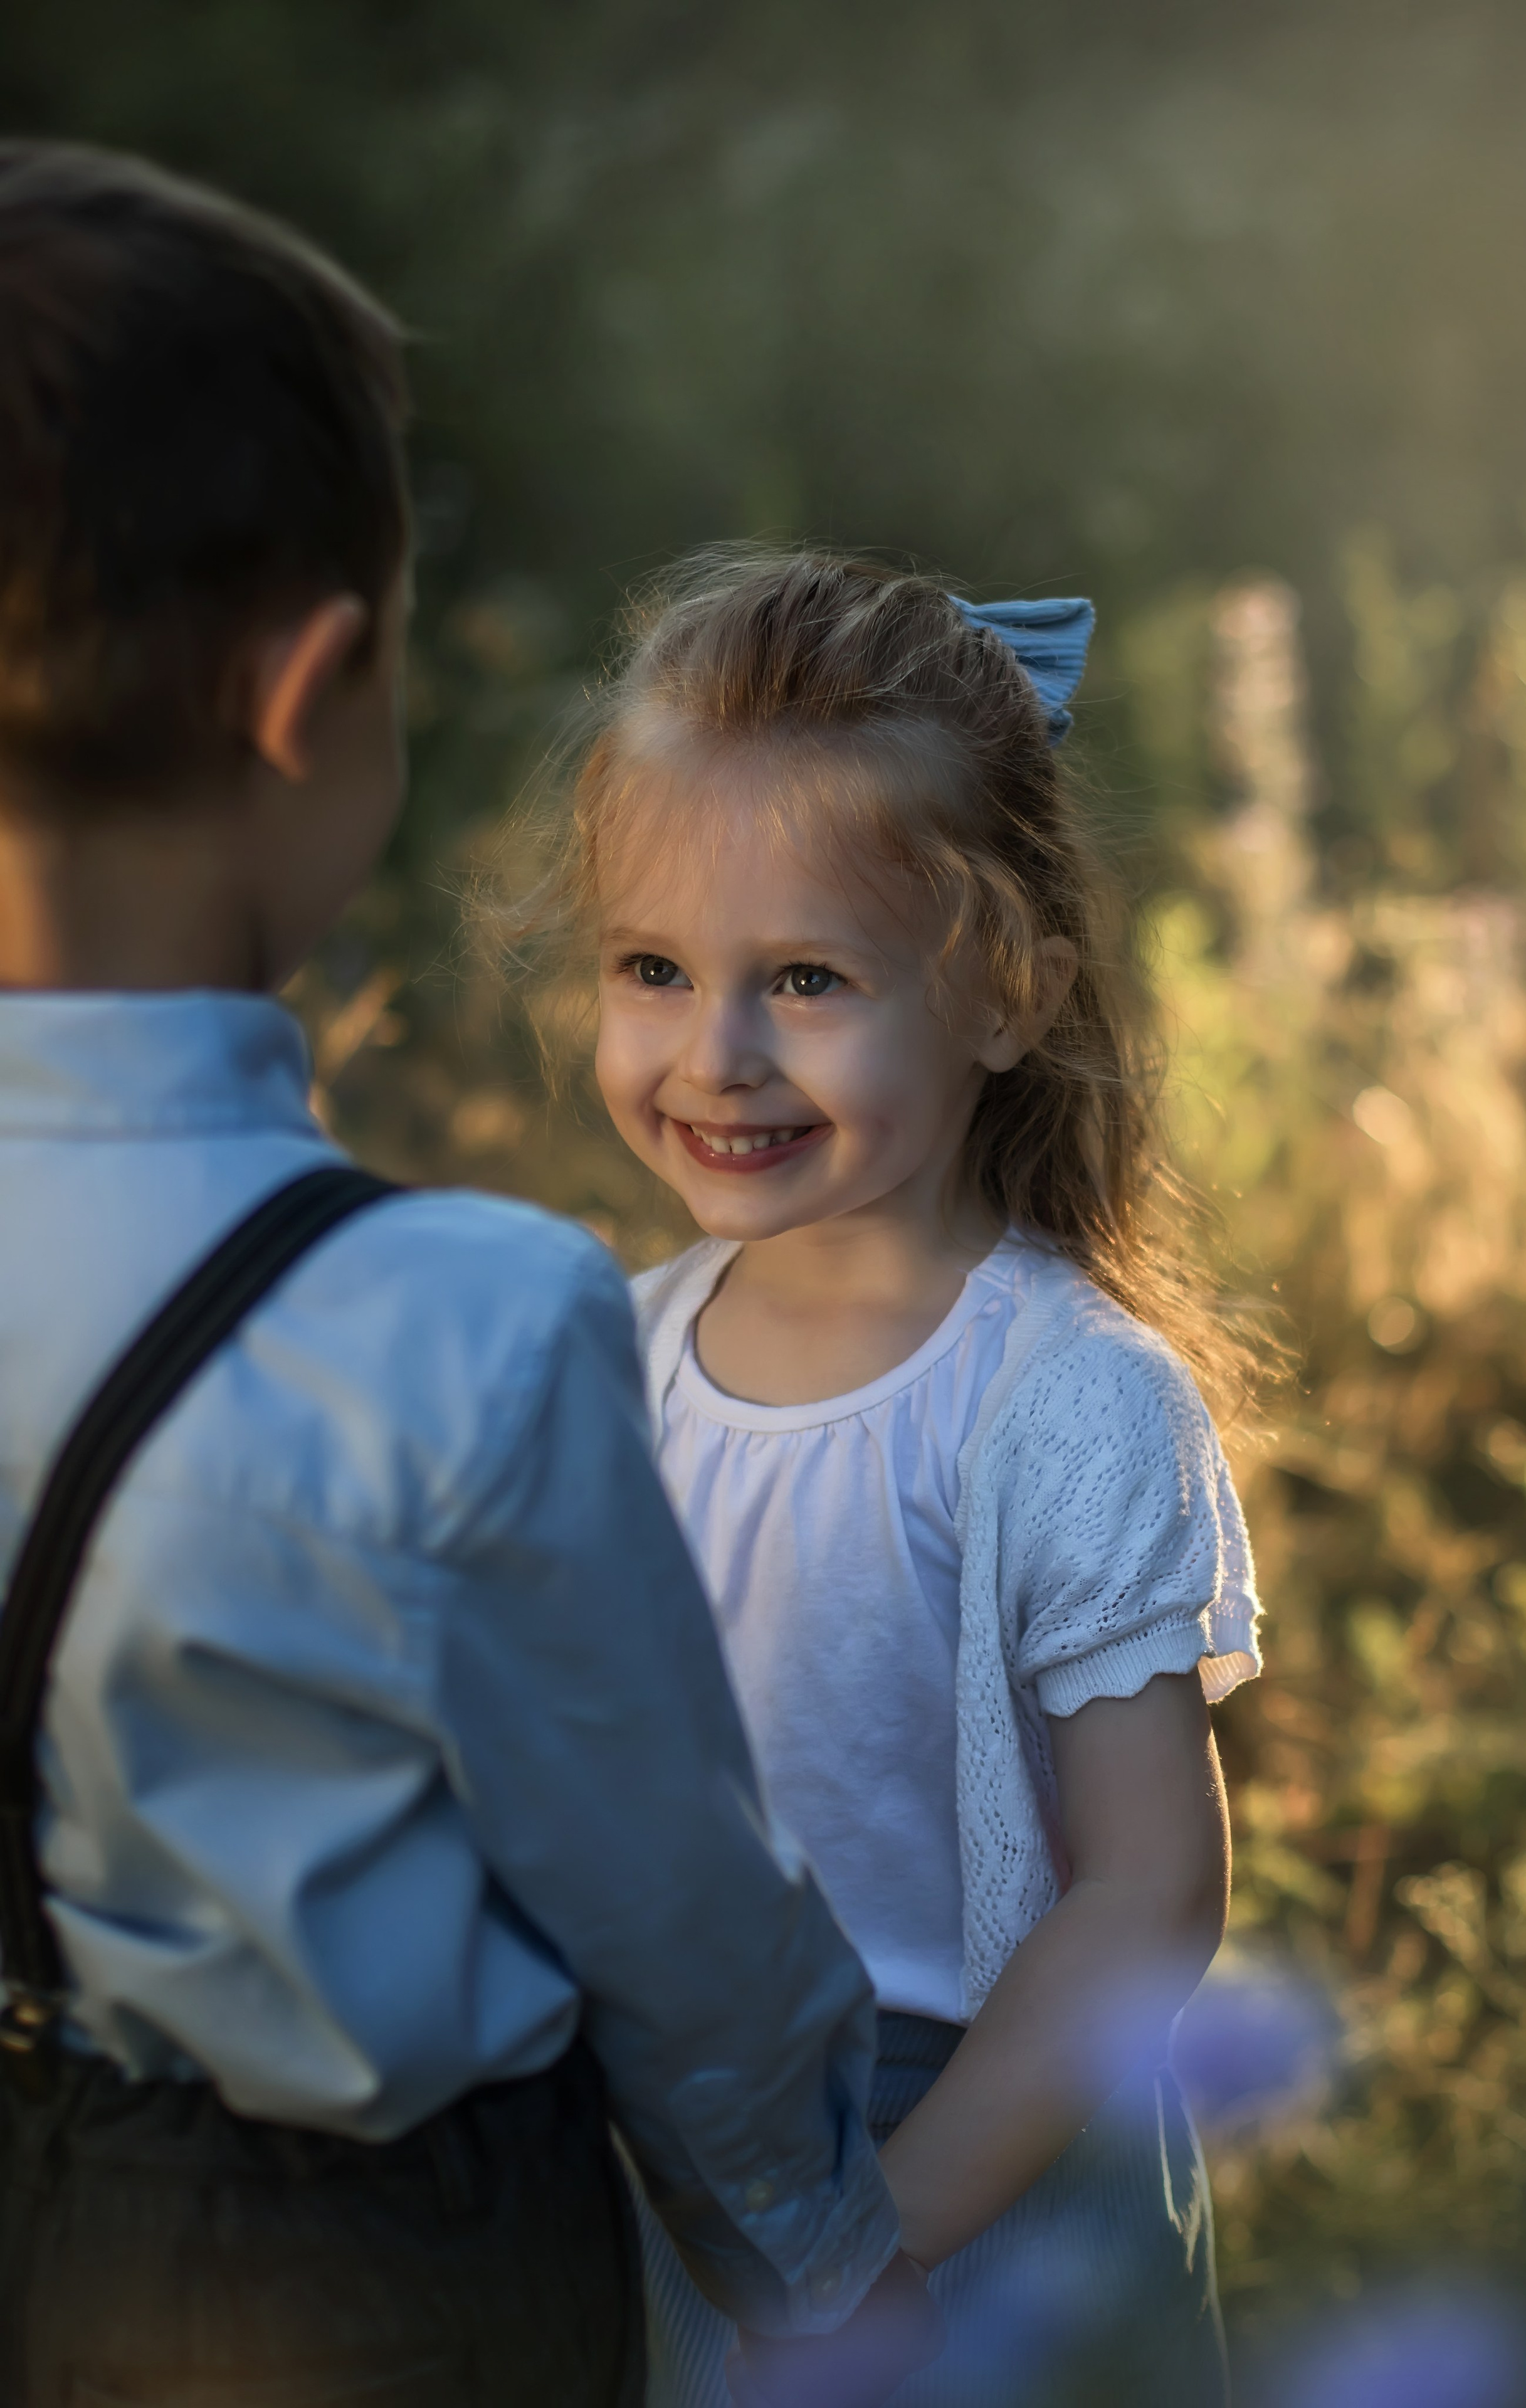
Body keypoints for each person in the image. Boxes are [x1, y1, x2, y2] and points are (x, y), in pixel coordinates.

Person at [0, 147, 935, 2408]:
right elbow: (683, 1935)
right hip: (366, 2295)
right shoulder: (453, 1327)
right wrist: (839, 2265)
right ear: (313, 692)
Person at [505, 549, 1263, 2406]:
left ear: (1009, 995)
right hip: (684, 2174)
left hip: (973, 2175)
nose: (717, 1054)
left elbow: (1151, 1888)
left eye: (810, 979)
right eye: (655, 969)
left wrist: (873, 2239)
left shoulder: (1066, 1399)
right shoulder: (606, 1356)